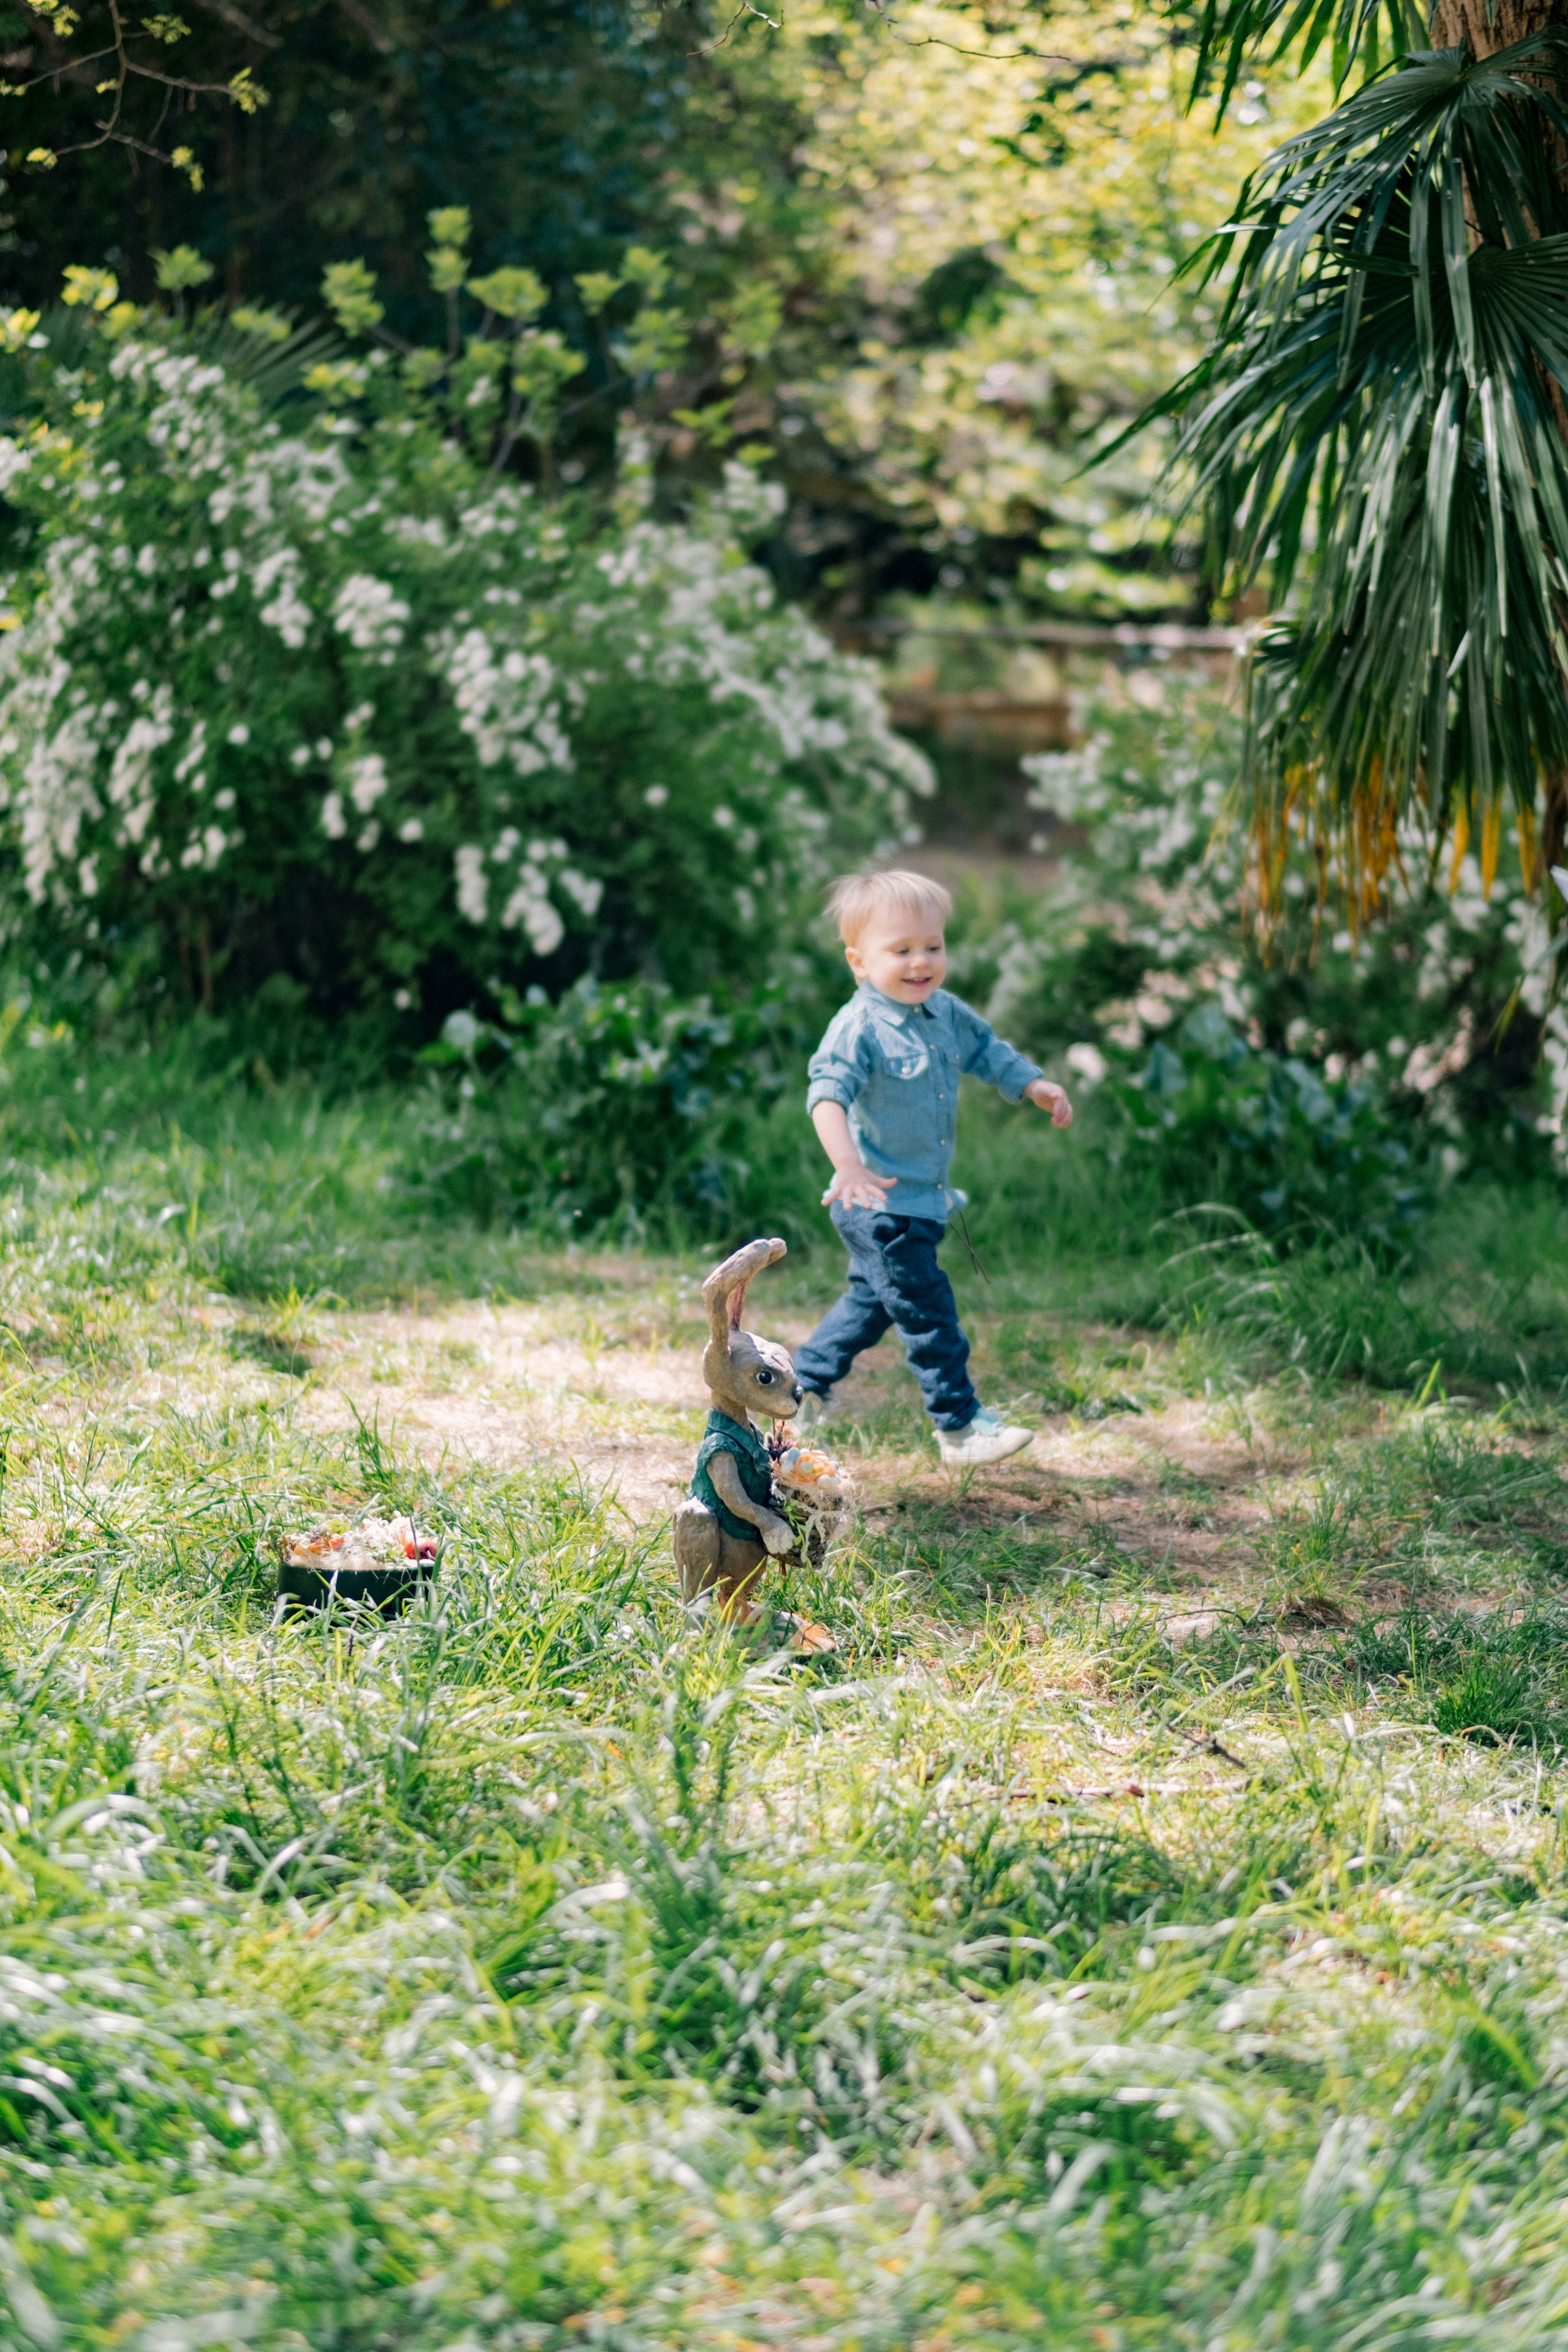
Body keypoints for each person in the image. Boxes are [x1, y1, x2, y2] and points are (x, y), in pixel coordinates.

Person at [794, 869, 1072, 1467]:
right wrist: (847, 1165)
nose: (921, 961)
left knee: (868, 1308)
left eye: (933, 946)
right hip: (876, 1205)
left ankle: (798, 1386)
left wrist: (1033, 1085)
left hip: (920, 1202)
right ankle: (960, 1427)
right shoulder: (858, 1028)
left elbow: (986, 1051)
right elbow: (826, 1096)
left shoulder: (944, 1012)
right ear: (859, 962)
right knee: (929, 1312)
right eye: (901, 950)